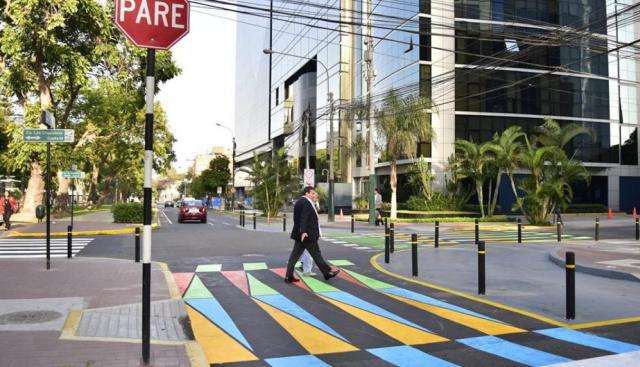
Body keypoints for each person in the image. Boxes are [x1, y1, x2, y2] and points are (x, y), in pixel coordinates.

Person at [285, 186, 339, 283]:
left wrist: (301, 231)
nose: (315, 194)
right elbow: (304, 218)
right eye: (313, 193)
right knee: (316, 254)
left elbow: (299, 218)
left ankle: (289, 276)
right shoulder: (306, 203)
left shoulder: (299, 202)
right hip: (307, 235)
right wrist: (304, 232)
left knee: (294, 256)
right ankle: (327, 272)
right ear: (307, 193)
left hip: (300, 234)